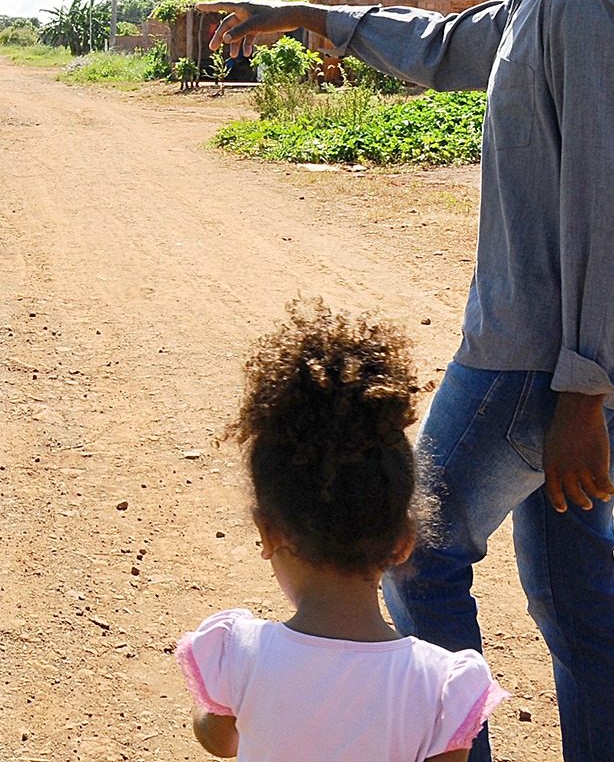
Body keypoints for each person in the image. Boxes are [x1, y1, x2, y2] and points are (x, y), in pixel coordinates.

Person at [202, 0, 614, 762]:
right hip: (556, 366)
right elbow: (447, 46)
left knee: (417, 555)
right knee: (577, 598)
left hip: (528, 366)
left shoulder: (587, 2)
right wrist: (312, 18)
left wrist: (582, 392)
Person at [177, 301, 507, 762]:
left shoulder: (239, 654)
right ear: (403, 540)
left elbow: (218, 740)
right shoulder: (440, 686)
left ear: (268, 532)